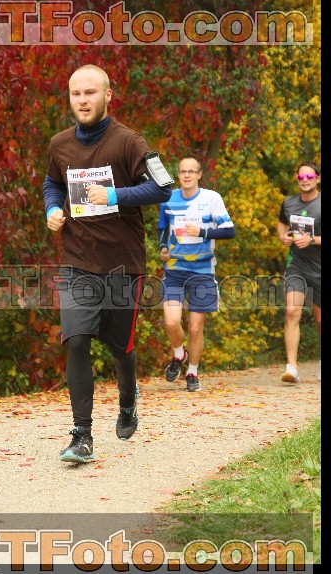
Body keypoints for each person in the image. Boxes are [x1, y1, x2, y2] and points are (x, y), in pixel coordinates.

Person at [43, 64, 173, 463]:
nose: (83, 101)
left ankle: (128, 401)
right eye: (76, 94)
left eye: (91, 93)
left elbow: (163, 187)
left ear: (108, 95)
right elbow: (53, 183)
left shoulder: (129, 142)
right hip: (78, 261)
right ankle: (81, 435)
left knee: (121, 348)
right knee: (76, 340)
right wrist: (52, 208)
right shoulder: (59, 144)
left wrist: (115, 195)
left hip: (122, 265)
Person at [157, 157, 235, 392]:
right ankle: (178, 354)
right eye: (183, 172)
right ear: (178, 175)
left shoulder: (211, 198)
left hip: (202, 271)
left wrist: (202, 231)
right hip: (174, 270)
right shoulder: (168, 199)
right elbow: (162, 229)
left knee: (194, 328)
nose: (187, 175)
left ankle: (192, 372)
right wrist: (163, 248)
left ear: (200, 174)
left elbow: (229, 231)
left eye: (191, 171)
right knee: (171, 322)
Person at [277, 161, 321, 384]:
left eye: (309, 177)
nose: (305, 181)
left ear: (318, 179)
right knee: (292, 311)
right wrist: (283, 236)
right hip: (297, 266)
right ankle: (292, 367)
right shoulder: (289, 202)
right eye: (301, 177)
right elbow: (281, 223)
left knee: (320, 319)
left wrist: (312, 240)